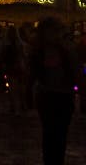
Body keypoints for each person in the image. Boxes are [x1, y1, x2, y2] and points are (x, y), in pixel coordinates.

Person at [30, 17, 78, 165]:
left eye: (57, 31)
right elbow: (32, 74)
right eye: (53, 31)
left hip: (64, 96)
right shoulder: (38, 52)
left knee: (61, 134)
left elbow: (75, 71)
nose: (55, 34)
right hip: (47, 96)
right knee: (49, 133)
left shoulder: (66, 50)